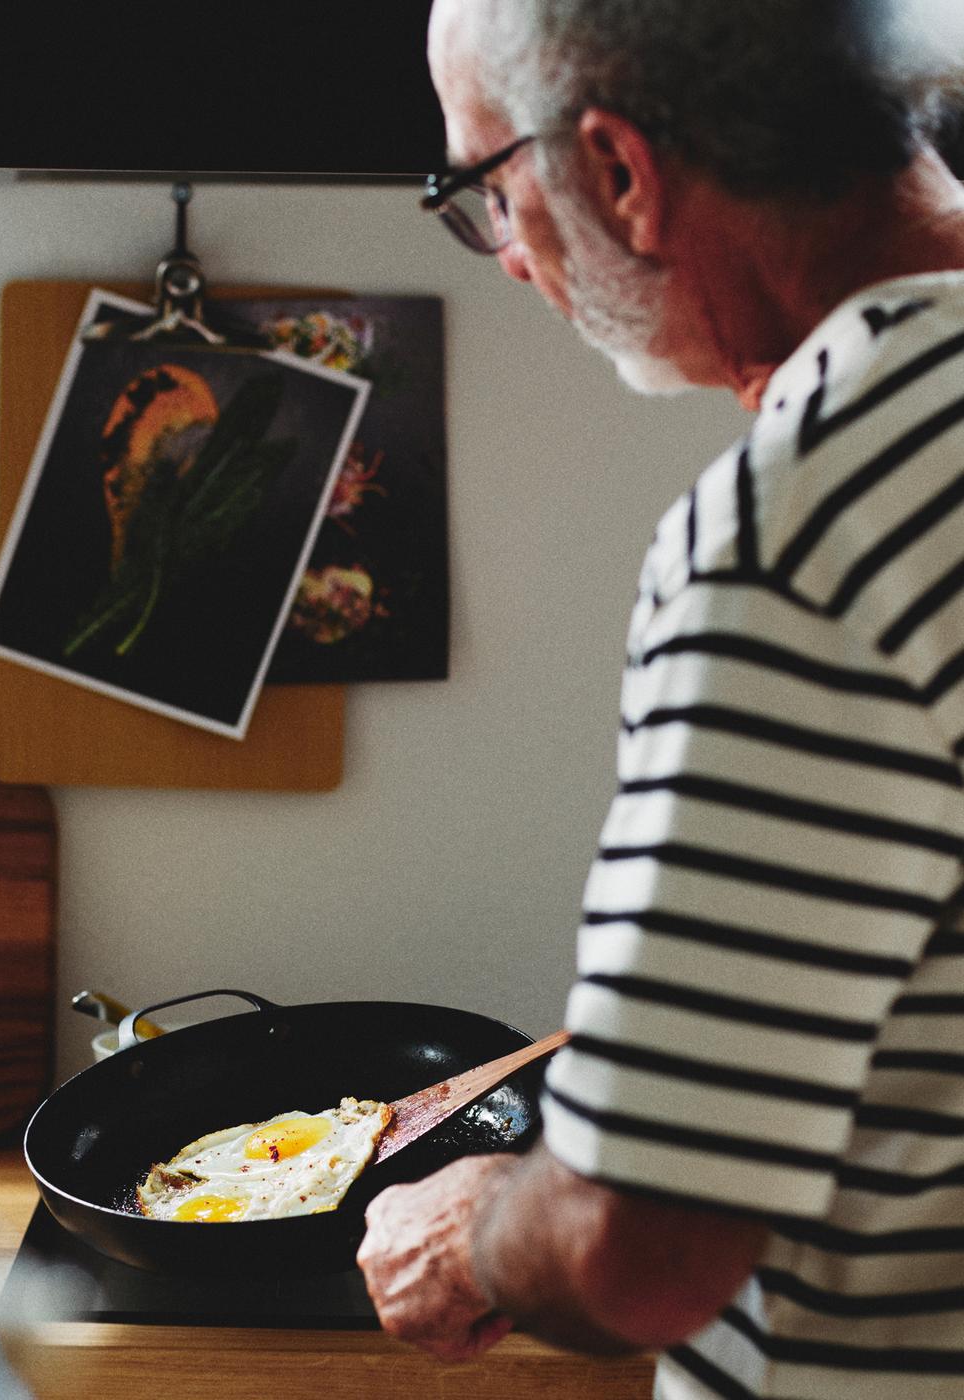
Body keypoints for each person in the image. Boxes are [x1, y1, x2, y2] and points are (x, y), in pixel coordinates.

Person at [355, 2, 964, 1396]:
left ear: (620, 173)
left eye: (490, 191)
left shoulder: (810, 521)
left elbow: (645, 1249)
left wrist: (473, 1231)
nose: (509, 258)